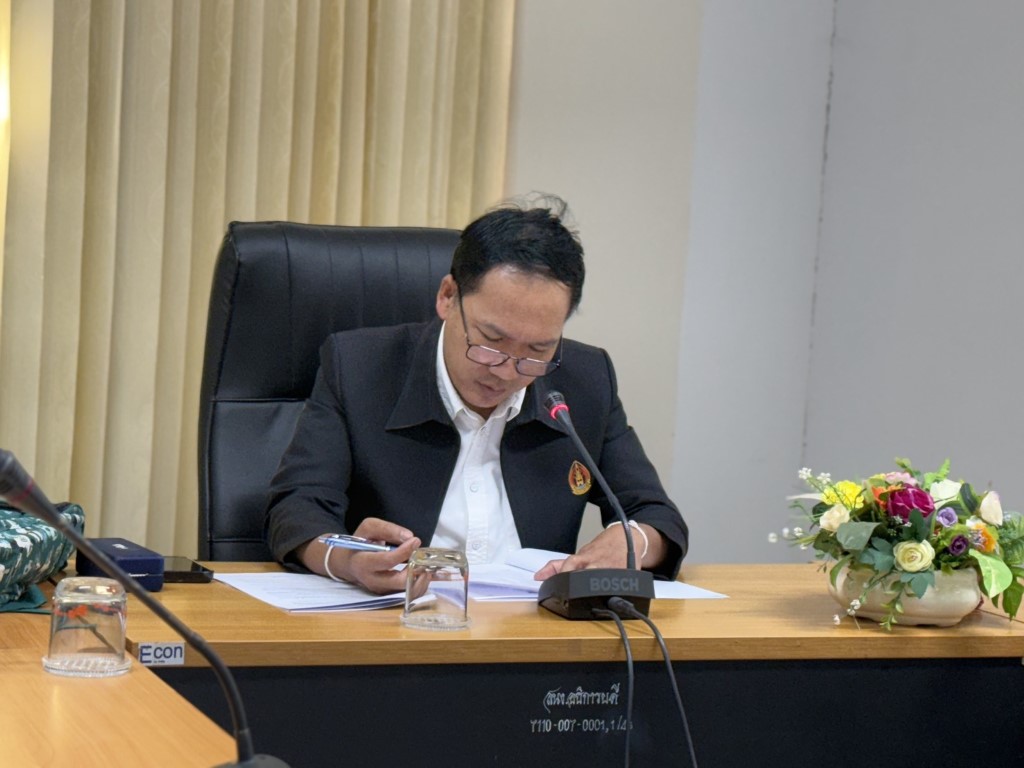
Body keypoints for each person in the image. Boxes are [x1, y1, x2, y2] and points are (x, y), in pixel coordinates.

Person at [265, 196, 688, 594]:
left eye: (537, 350)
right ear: (448, 297)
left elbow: (655, 515)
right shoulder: (359, 367)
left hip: (533, 629)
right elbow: (298, 507)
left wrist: (633, 542)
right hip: (398, 620)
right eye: (491, 341)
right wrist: (348, 561)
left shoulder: (584, 380)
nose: (507, 370)